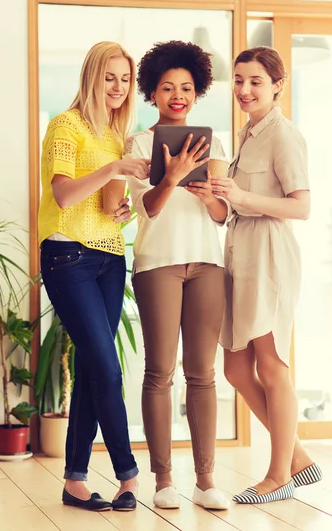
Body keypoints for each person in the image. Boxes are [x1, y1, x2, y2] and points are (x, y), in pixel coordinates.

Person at [38, 41, 151, 512]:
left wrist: (121, 211)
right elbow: (64, 197)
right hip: (68, 258)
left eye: (125, 80)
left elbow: (104, 209)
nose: (118, 88)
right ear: (91, 76)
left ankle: (75, 480)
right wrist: (112, 168)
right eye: (110, 77)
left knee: (91, 368)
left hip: (108, 257)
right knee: (107, 366)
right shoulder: (65, 126)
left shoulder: (117, 136)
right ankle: (128, 475)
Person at [213, 46, 322, 504]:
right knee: (236, 367)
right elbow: (231, 206)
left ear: (278, 84)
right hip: (239, 252)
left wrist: (241, 195)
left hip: (271, 255)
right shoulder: (245, 134)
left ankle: (278, 476)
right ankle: (298, 457)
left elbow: (302, 206)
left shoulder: (283, 135)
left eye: (255, 81)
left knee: (271, 363)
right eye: (239, 80)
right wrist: (215, 196)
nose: (244, 89)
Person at [125, 40, 230, 511]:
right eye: (167, 87)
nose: (177, 95)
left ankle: (206, 480)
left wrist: (208, 192)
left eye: (186, 87)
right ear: (152, 92)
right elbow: (145, 210)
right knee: (159, 372)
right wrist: (172, 176)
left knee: (203, 374)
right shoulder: (139, 144)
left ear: (197, 90)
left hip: (208, 263)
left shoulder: (217, 142)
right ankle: (164, 478)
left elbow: (222, 213)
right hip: (158, 265)